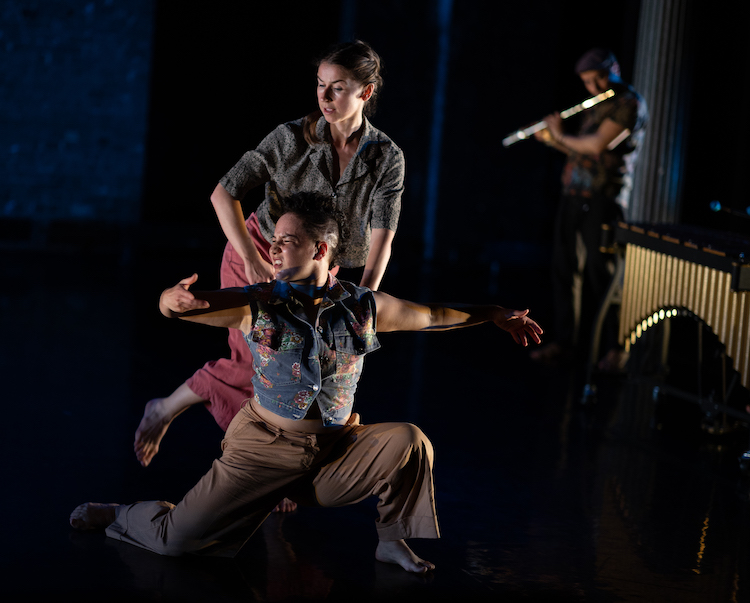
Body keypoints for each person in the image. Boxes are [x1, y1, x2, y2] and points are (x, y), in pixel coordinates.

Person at [70, 193, 543, 573]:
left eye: (285, 241)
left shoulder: (364, 306)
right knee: (177, 543)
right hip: (262, 450)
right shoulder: (258, 304)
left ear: (319, 249)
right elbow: (185, 307)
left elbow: (435, 316)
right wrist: (169, 301)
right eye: (272, 241)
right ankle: (120, 513)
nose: (272, 249)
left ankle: (390, 541)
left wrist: (495, 315)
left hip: (333, 455)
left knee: (409, 441)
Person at [134, 40, 405, 471]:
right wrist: (252, 260)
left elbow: (382, 234)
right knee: (260, 358)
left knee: (296, 365)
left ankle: (265, 463)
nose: (325, 96)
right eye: (320, 85)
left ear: (365, 93)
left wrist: (363, 300)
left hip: (319, 267)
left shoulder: (385, 156)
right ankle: (186, 422)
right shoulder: (290, 138)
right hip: (262, 249)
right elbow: (223, 193)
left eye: (338, 88)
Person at [530, 48, 647, 371]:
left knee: (600, 272)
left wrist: (559, 134)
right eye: (587, 82)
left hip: (604, 197)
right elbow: (577, 148)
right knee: (564, 269)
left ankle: (612, 348)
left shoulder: (629, 104)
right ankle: (567, 344)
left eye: (599, 79)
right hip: (573, 193)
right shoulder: (597, 102)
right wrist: (552, 140)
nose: (594, 87)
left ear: (615, 70)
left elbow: (596, 146)